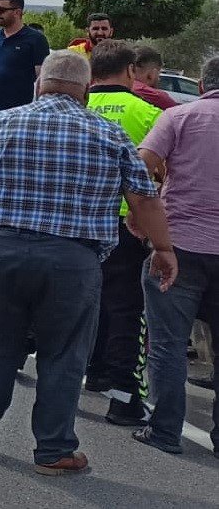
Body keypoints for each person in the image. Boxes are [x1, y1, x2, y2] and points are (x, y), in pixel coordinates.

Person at [0, 50, 176, 476]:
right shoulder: (110, 134)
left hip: (3, 251)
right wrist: (163, 248)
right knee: (64, 354)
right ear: (85, 90)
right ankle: (53, 450)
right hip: (74, 261)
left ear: (39, 83)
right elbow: (143, 198)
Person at [135, 54, 219, 456]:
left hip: (179, 244)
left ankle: (165, 430)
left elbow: (141, 167)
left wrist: (142, 219)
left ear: (202, 85)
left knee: (167, 343)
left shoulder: (180, 117)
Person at [82, 40, 164, 425]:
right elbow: (161, 174)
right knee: (126, 311)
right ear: (131, 71)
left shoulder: (77, 106)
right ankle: (124, 398)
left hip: (77, 222)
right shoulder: (148, 113)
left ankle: (91, 372)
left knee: (78, 302)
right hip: (125, 224)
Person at [130, 45, 180, 111]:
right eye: (159, 73)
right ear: (151, 74)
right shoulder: (157, 97)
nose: (159, 79)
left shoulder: (116, 88)